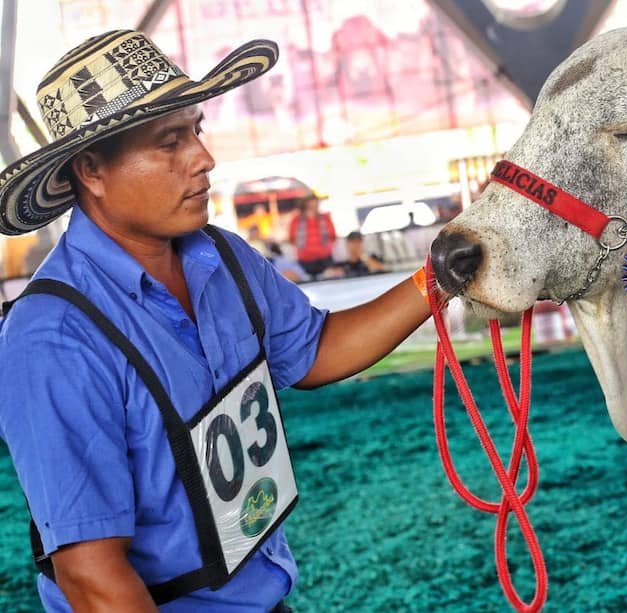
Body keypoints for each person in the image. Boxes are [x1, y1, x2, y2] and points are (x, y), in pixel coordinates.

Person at [0, 30, 442, 612]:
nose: (203, 158)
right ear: (91, 170)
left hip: (263, 597)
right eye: (169, 141)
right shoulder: (53, 337)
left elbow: (313, 349)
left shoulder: (223, 256)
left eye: (197, 131)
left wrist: (435, 279)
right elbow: (92, 578)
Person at [287, 185, 336, 277]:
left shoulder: (325, 218)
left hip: (325, 259)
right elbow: (291, 239)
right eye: (312, 200)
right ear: (305, 203)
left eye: (316, 200)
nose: (315, 203)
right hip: (305, 261)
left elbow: (333, 236)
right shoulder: (296, 220)